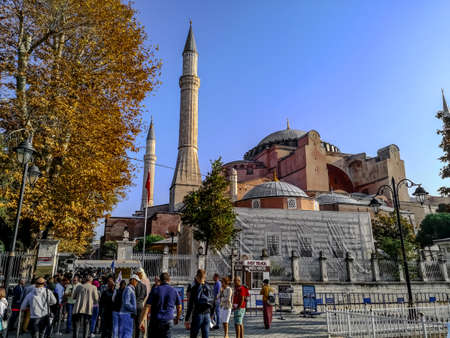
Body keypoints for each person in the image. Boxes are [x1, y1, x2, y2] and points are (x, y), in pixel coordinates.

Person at [139, 272, 181, 338]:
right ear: (169, 280)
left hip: (155, 321)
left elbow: (147, 307)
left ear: (160, 280)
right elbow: (179, 307)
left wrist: (142, 320)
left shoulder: (155, 290)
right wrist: (177, 318)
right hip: (168, 320)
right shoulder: (174, 291)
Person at [185, 269, 214, 338]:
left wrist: (187, 319)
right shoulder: (208, 286)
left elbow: (190, 304)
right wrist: (212, 314)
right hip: (207, 314)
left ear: (197, 277)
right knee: (205, 335)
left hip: (198, 314)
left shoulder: (194, 288)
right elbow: (212, 301)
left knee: (193, 335)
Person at [136, 268, 151, 338]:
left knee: (143, 320)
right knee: (140, 321)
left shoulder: (146, 281)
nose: (139, 275)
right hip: (141, 303)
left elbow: (147, 294)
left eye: (139, 273)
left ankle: (143, 335)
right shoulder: (139, 281)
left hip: (144, 303)